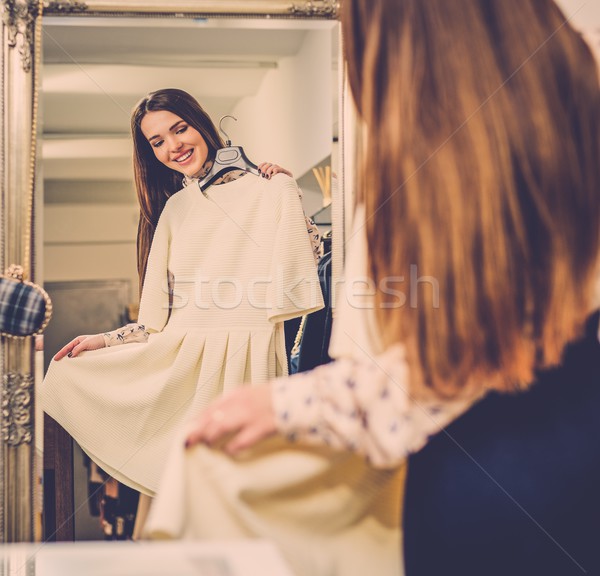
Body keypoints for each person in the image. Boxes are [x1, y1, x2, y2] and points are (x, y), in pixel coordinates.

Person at [182, 0, 600, 572]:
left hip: (479, 482)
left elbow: (456, 363)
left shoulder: (426, 168)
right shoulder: (578, 100)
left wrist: (294, 402)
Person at [40, 88, 324, 500]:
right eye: (157, 141)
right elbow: (156, 322)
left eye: (180, 129)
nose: (173, 146)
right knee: (204, 503)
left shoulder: (272, 190)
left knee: (253, 500)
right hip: (185, 364)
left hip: (254, 360)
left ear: (200, 124)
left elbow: (310, 264)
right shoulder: (173, 211)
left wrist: (287, 190)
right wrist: (103, 340)